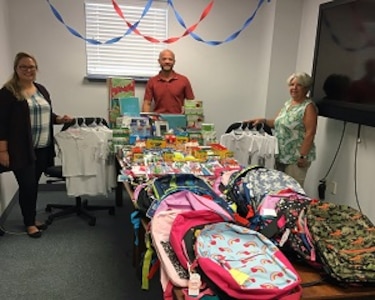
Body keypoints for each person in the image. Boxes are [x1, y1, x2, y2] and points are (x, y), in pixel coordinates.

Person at [0, 52, 73, 238]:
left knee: (32, 185)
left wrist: (59, 118)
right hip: (21, 149)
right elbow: (2, 123)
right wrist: (3, 150)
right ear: (16, 69)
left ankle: (30, 218)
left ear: (36, 69)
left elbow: (46, 113)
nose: (28, 70)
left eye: (31, 67)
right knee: (28, 185)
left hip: (42, 147)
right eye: (23, 66)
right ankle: (29, 223)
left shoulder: (41, 89)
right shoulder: (8, 92)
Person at [246, 72, 318, 187]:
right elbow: (277, 123)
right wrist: (263, 120)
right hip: (280, 155)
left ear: (306, 88)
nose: (294, 88)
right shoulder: (288, 104)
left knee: (291, 190)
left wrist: (302, 156)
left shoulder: (308, 107)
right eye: (291, 84)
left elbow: (310, 132)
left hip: (296, 159)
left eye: (299, 85)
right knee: (278, 188)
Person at [142, 49, 195, 114]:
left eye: (170, 59)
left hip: (179, 120)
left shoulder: (184, 80)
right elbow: (147, 103)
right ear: (159, 61)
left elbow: (191, 103)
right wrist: (145, 120)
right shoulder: (152, 81)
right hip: (158, 120)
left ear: (174, 62)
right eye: (164, 59)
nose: (167, 62)